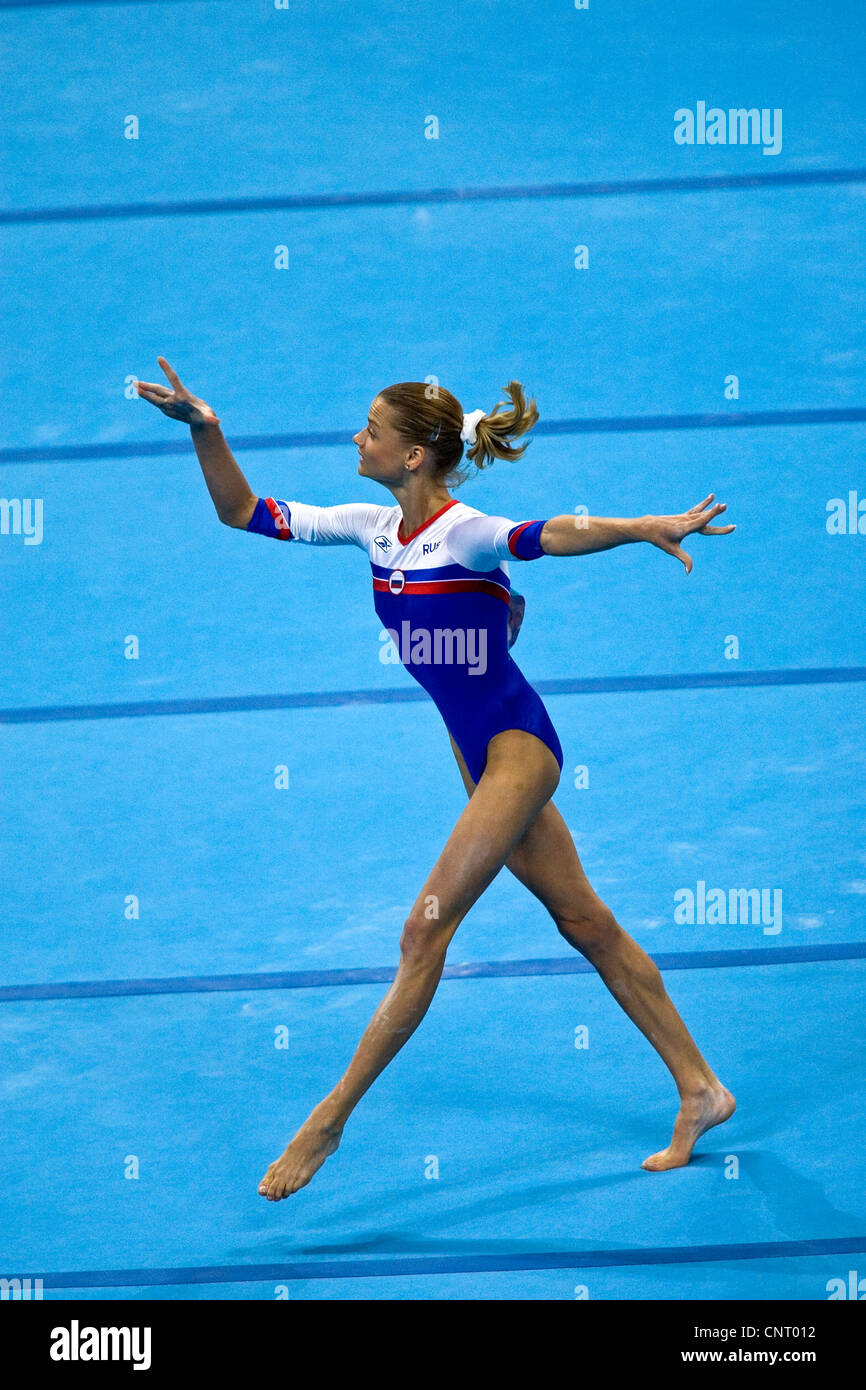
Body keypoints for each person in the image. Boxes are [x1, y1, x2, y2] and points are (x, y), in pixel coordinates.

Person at [136, 357, 737, 1203]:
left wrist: (641, 526)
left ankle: (329, 1121)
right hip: (473, 748)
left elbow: (550, 534)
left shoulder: (466, 531)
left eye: (372, 428)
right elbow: (243, 512)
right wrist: (205, 425)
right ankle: (701, 1089)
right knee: (583, 918)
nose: (357, 436)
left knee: (423, 935)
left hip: (517, 748)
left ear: (414, 455)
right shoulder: (370, 527)